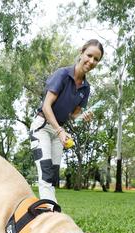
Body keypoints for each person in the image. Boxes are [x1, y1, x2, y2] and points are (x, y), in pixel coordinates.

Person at [29, 39, 104, 202]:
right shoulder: (62, 74)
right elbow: (47, 106)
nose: (91, 61)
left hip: (58, 132)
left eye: (96, 59)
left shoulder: (86, 87)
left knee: (53, 176)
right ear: (81, 52)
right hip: (42, 127)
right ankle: (51, 214)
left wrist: (82, 117)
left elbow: (74, 114)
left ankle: (50, 211)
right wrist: (60, 131)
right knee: (46, 172)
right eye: (89, 55)